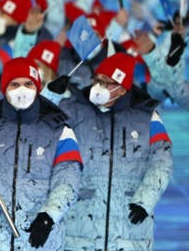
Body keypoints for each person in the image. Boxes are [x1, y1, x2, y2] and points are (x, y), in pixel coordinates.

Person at [0, 57, 83, 250]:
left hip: (38, 238)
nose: (22, 90)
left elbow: (68, 181)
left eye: (28, 84)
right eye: (14, 84)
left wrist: (49, 216)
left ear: (38, 87)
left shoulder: (60, 131)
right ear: (4, 88)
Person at [60, 53, 173, 250]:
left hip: (128, 229)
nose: (98, 87)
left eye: (106, 82)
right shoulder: (74, 111)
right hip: (81, 230)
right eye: (96, 80)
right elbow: (39, 123)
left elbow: (162, 162)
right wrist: (51, 93)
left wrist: (145, 200)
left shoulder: (148, 117)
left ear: (121, 89)